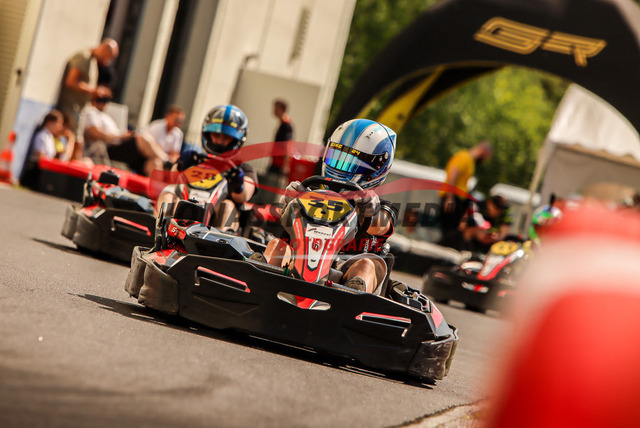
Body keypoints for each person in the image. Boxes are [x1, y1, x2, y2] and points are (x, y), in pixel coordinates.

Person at [264, 118, 398, 294]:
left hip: (345, 276)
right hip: (303, 264)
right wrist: (291, 203)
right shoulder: (311, 197)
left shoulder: (382, 207)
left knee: (366, 266)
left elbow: (381, 225)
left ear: (378, 168)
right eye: (338, 158)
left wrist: (368, 212)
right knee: (277, 245)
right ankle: (259, 283)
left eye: (353, 163)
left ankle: (352, 297)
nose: (342, 167)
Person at [156, 104, 257, 233]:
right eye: (216, 135)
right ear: (208, 134)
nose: (219, 141)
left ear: (236, 140)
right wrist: (181, 164)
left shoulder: (243, 169)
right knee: (167, 196)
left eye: (226, 138)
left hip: (214, 223)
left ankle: (218, 241)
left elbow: (244, 195)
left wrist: (237, 183)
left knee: (227, 206)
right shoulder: (195, 159)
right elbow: (173, 177)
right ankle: (161, 233)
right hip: (185, 210)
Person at [79, 94, 167, 176]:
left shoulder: (104, 116)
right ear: (93, 100)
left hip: (119, 144)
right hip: (111, 148)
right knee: (142, 138)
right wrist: (121, 136)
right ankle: (167, 162)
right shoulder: (91, 112)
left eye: (106, 100)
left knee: (155, 161)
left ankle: (152, 184)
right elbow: (95, 133)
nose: (104, 103)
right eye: (101, 99)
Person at [438, 140, 493, 249]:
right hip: (453, 197)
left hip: (458, 199)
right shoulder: (464, 157)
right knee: (449, 232)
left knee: (454, 231)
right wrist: (450, 197)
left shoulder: (469, 161)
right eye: (485, 157)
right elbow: (453, 174)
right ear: (483, 151)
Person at [57, 39, 119, 132]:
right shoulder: (84, 57)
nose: (107, 62)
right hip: (71, 107)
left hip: (80, 108)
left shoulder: (92, 60)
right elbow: (71, 82)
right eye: (108, 57)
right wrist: (95, 91)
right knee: (72, 136)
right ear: (103, 49)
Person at [267, 99, 294, 175]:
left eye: (276, 108)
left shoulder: (286, 125)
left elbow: (288, 144)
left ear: (282, 109)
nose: (274, 110)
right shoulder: (282, 123)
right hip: (275, 162)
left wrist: (286, 165)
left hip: (279, 165)